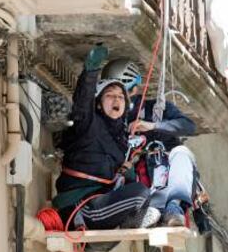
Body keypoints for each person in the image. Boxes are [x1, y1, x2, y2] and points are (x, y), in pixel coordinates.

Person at [52, 46, 160, 235]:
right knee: (140, 194)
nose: (116, 99)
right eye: (109, 95)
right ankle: (132, 222)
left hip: (100, 211)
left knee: (147, 194)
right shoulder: (89, 124)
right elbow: (82, 103)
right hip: (81, 210)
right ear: (99, 104)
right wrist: (91, 70)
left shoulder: (122, 143)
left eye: (120, 97)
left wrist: (127, 174)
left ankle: (134, 222)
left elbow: (121, 185)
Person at [101, 58, 209, 228]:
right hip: (133, 180)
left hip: (163, 172)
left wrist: (153, 125)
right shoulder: (109, 119)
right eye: (112, 94)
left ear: (135, 89)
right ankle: (141, 214)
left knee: (182, 153)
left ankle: (173, 210)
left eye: (124, 93)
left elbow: (188, 126)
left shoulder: (155, 109)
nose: (119, 100)